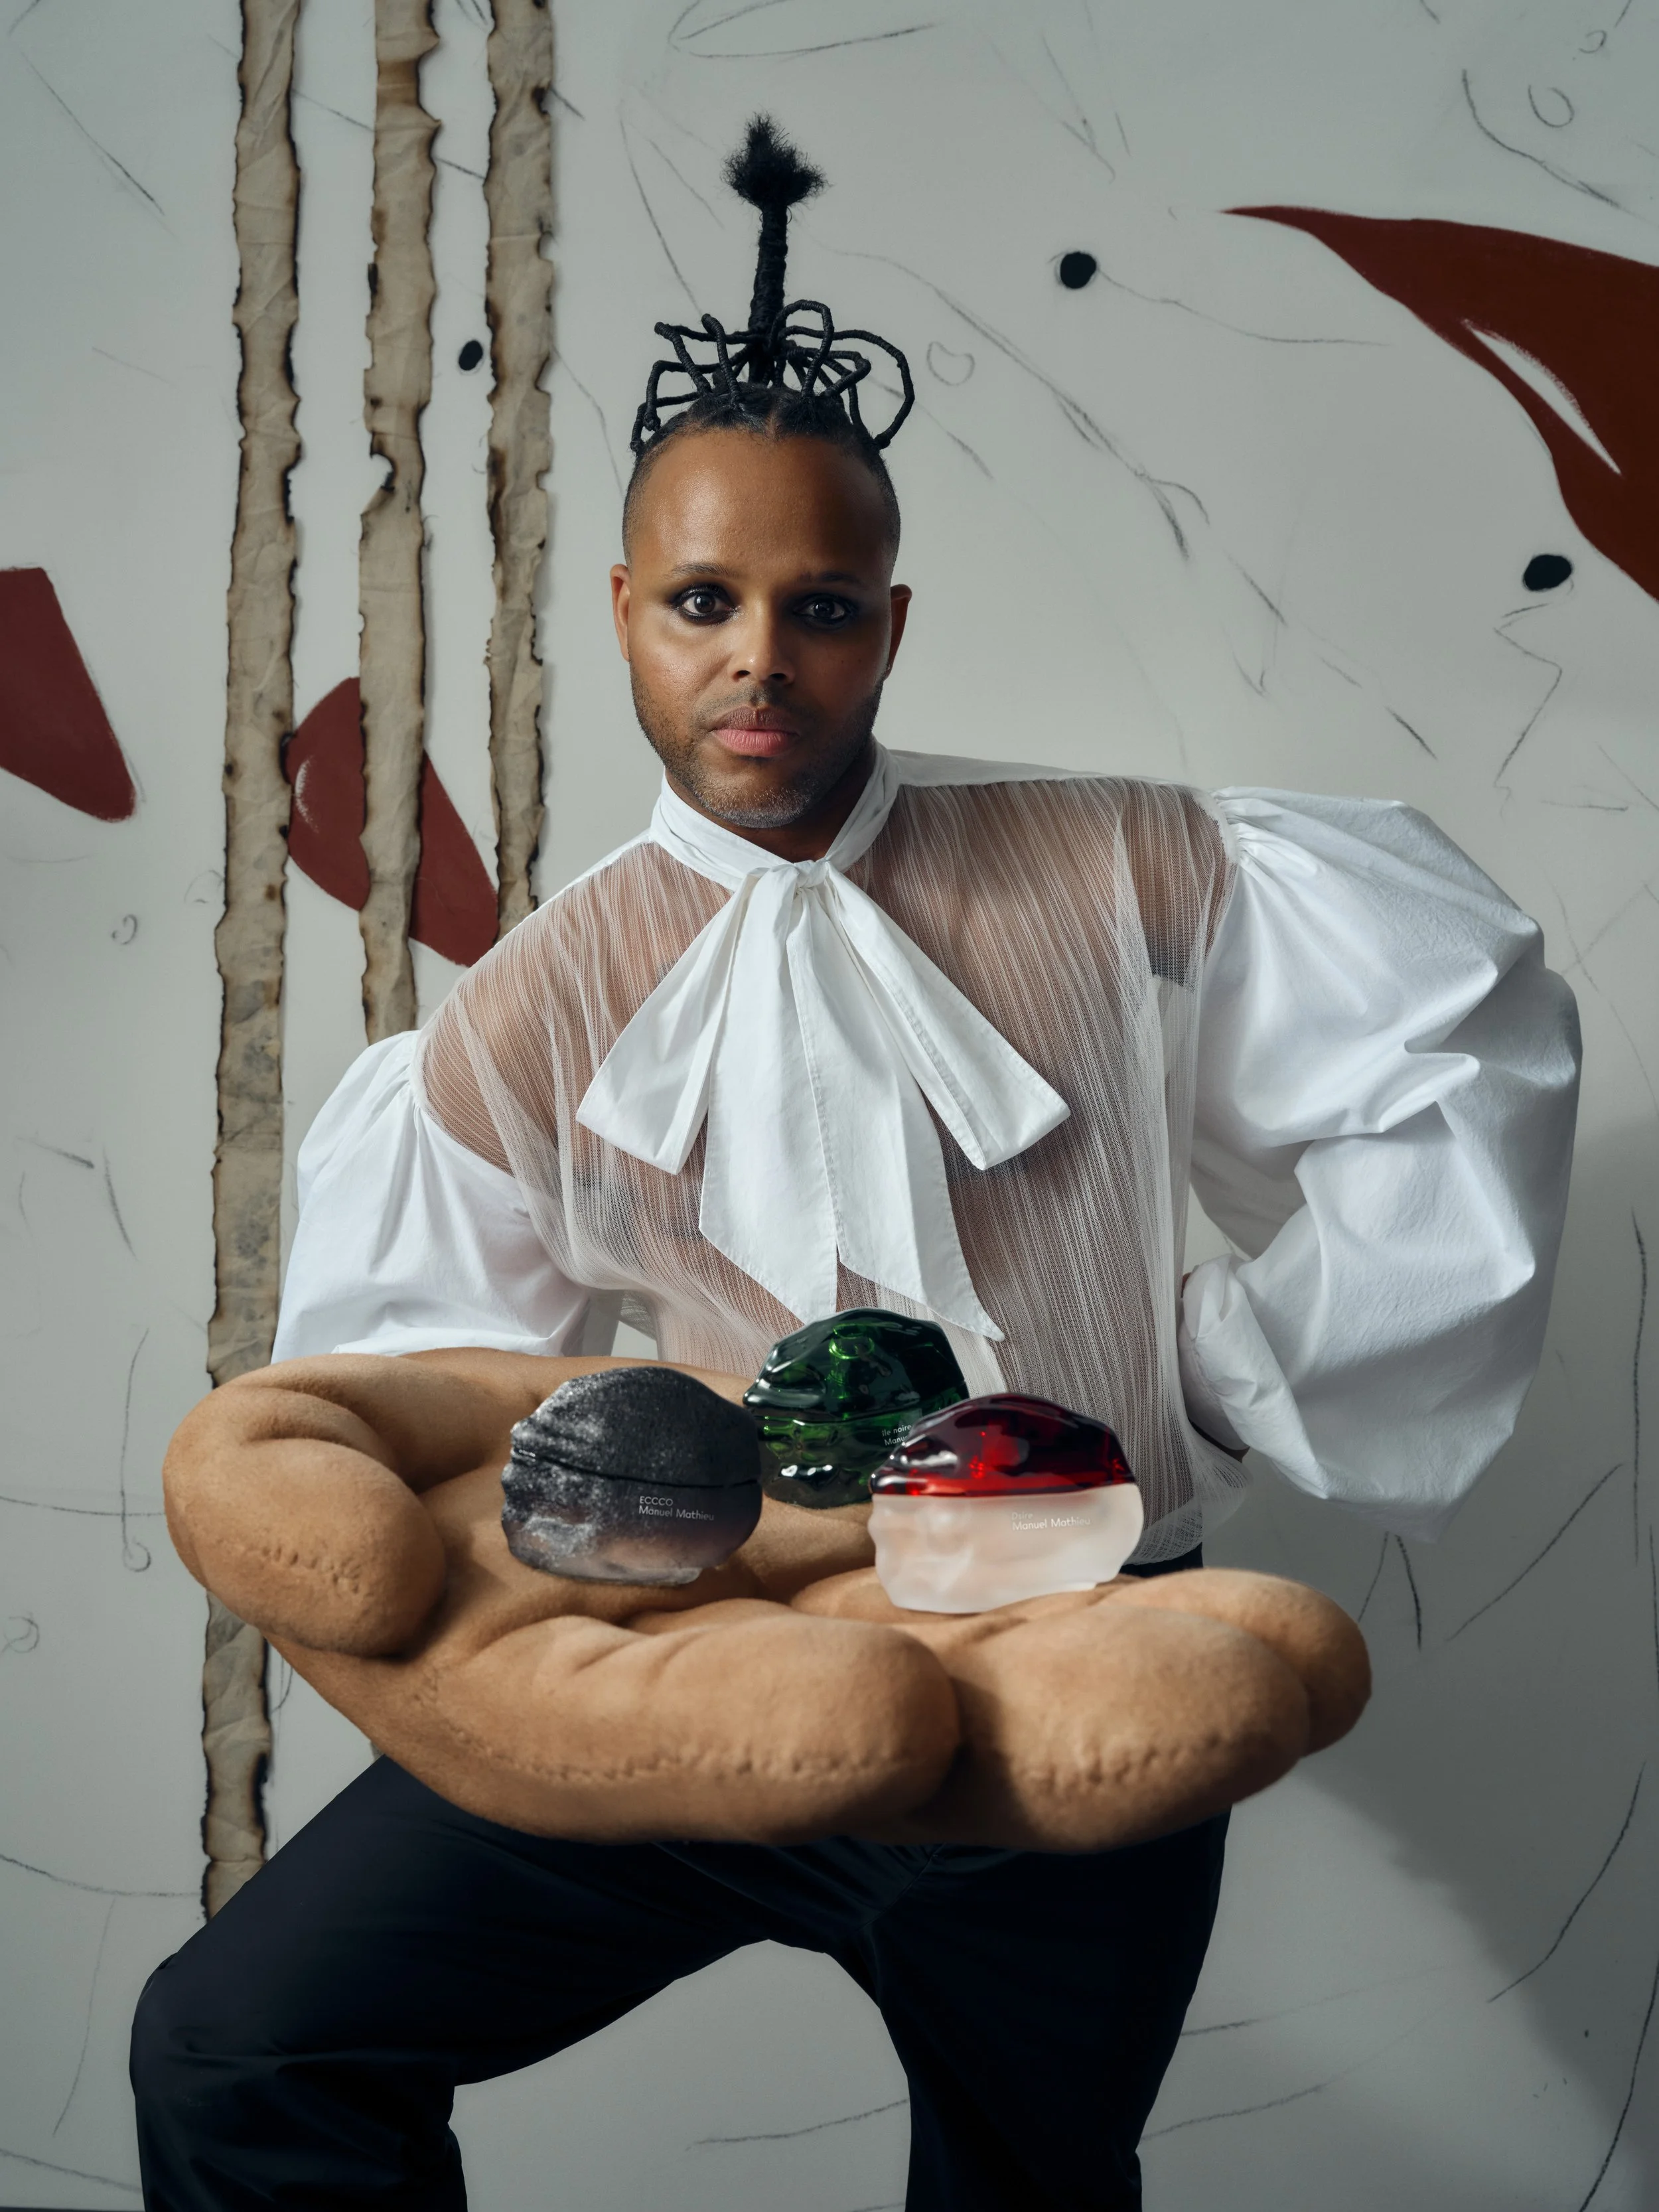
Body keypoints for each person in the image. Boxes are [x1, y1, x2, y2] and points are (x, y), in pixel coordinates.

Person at [130, 119, 1580, 2211]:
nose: (758, 657)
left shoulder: (1122, 853)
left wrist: (1210, 1369)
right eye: (703, 602)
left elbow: (1452, 1058)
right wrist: (564, 1614)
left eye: (817, 608)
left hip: (1074, 1688)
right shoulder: (530, 1005)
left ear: (885, 627)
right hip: (722, 1668)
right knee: (242, 2040)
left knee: (1028, 2185)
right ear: (625, 609)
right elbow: (442, 1392)